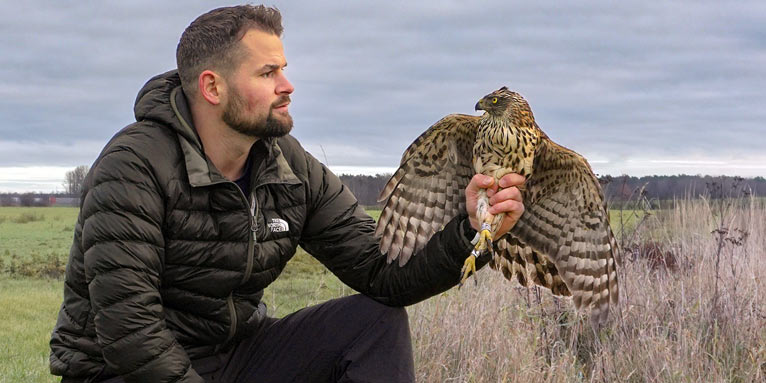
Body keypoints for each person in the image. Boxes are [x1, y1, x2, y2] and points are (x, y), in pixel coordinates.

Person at [49, 5, 525, 383]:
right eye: (267, 73)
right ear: (212, 87)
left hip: (235, 355)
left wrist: (472, 232)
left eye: (284, 69)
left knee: (374, 321)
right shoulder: (133, 165)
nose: (287, 85)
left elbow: (382, 271)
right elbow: (130, 332)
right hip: (122, 372)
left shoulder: (285, 163)